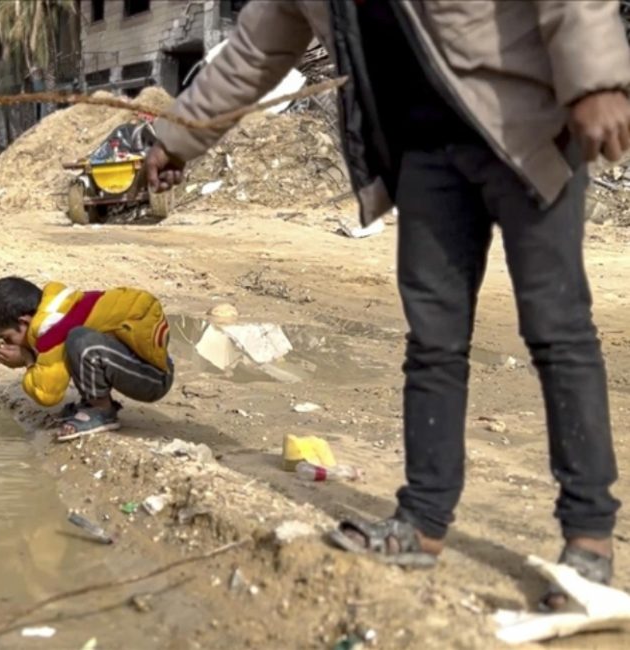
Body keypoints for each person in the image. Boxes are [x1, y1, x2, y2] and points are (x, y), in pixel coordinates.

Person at [144, 0, 630, 609]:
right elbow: (256, 51)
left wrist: (596, 80)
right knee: (432, 341)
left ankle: (588, 541)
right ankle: (421, 523)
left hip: (525, 124)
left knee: (557, 332)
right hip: (425, 152)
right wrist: (177, 139)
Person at [0, 276, 174, 441]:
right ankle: (92, 403)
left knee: (79, 340)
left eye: (7, 337)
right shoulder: (57, 307)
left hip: (154, 378)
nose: (8, 343)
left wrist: (29, 360)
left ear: (24, 321)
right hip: (144, 363)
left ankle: (101, 411)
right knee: (72, 344)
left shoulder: (50, 328)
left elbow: (48, 394)